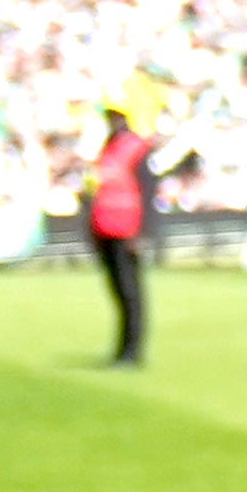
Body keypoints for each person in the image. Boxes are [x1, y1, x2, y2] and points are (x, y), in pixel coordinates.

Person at [81, 98, 158, 366]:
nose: (112, 121)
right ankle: (122, 349)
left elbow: (147, 191)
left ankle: (132, 351)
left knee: (130, 291)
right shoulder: (108, 147)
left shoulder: (136, 148)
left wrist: (142, 232)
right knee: (117, 291)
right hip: (106, 225)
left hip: (126, 229)